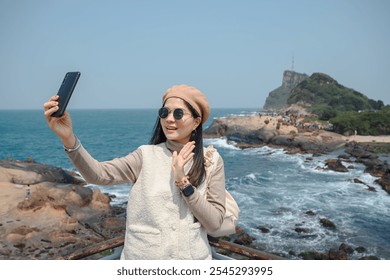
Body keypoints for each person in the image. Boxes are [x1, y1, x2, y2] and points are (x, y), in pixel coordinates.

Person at [43, 84, 226, 260]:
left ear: (196, 122)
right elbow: (98, 174)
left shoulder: (211, 161)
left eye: (178, 113)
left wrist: (184, 183)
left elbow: (215, 224)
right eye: (164, 112)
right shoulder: (145, 156)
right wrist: (68, 138)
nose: (169, 119)